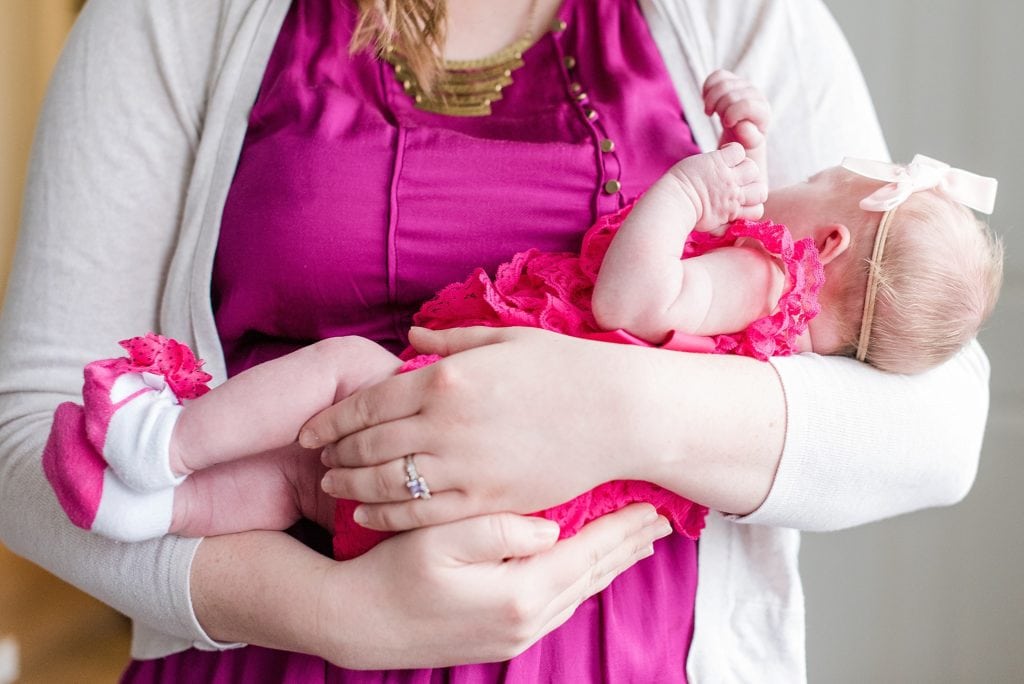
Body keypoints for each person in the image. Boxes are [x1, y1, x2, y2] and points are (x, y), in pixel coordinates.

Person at [0, 0, 993, 681]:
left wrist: (609, 410)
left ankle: (174, 463)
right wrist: (328, 615)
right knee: (285, 464)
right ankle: (167, 459)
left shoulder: (731, 17)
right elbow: (24, 438)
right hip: (279, 648)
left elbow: (936, 422)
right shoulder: (182, 19)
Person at [40, 82, 1001, 553]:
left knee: (336, 374)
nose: (795, 177)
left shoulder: (753, 276)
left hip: (471, 435)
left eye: (823, 176)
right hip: (475, 518)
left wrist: (689, 187)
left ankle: (164, 447)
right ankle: (161, 514)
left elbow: (636, 299)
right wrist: (744, 138)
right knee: (299, 486)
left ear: (825, 246)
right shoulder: (778, 309)